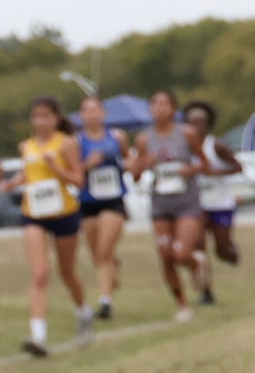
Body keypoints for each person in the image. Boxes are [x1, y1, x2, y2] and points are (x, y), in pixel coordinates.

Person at [2, 96, 90, 356]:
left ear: (56, 118)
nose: (41, 121)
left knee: (67, 272)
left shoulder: (66, 144)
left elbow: (78, 180)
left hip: (63, 212)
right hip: (34, 213)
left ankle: (83, 311)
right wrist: (12, 183)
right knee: (40, 273)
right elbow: (30, 173)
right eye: (36, 116)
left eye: (46, 116)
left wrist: (56, 168)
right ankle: (38, 336)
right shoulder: (26, 146)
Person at [129, 90, 202, 321]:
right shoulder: (143, 139)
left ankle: (195, 262)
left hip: (186, 202)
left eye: (165, 104)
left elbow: (204, 162)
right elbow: (136, 176)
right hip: (160, 203)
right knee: (165, 255)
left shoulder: (187, 134)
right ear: (150, 109)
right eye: (155, 104)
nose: (160, 108)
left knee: (180, 253)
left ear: (173, 109)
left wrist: (190, 170)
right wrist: (143, 163)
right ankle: (182, 303)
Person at [74, 94, 130, 319]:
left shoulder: (117, 136)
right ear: (80, 115)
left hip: (113, 200)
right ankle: (113, 271)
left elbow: (129, 159)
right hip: (88, 202)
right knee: (98, 254)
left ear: (103, 113)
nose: (92, 114)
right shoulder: (76, 141)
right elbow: (72, 171)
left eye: (95, 109)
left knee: (103, 251)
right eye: (86, 110)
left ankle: (105, 302)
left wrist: (130, 166)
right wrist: (88, 164)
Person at [185, 100, 242, 290]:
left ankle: (230, 252)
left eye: (200, 121)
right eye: (192, 121)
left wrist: (215, 173)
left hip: (220, 203)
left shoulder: (216, 146)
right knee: (198, 245)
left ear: (207, 124)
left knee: (221, 250)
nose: (196, 125)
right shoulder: (184, 148)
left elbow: (237, 166)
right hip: (197, 205)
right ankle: (205, 289)